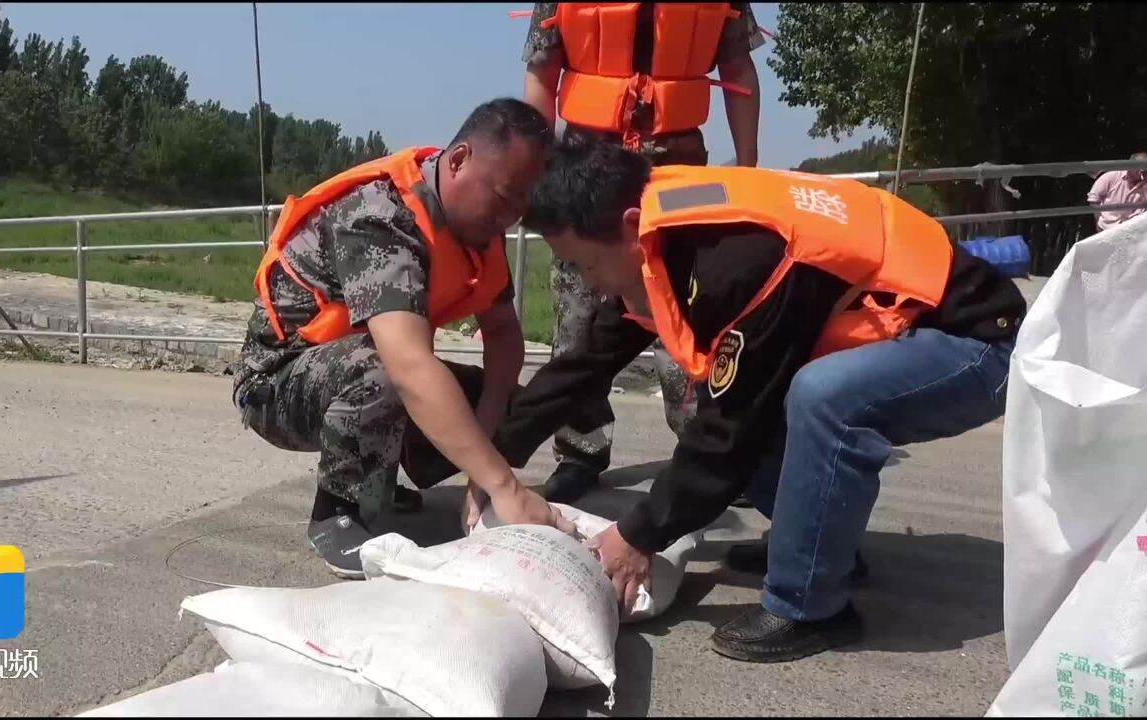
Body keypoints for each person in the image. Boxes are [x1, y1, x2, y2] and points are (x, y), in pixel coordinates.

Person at [494, 141, 1028, 662]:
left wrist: (637, 534)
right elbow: (586, 362)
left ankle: (811, 606)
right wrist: (493, 458)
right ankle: (819, 552)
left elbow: (729, 433)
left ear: (630, 225)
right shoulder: (664, 233)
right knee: (753, 391)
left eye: (587, 266)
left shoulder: (735, 261)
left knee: (818, 397)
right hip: (919, 331)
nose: (591, 282)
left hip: (976, 343)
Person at [232, 98, 570, 579]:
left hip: (359, 366)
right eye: (503, 197)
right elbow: (408, 366)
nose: (509, 219)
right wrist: (505, 486)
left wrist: (485, 463)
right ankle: (338, 513)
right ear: (458, 161)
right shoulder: (377, 217)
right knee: (389, 370)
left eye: (521, 206)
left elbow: (503, 337)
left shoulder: (478, 227)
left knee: (506, 401)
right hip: (277, 383)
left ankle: (381, 476)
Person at [520, 2, 766, 503]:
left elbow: (739, 68)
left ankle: (706, 450)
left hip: (677, 168)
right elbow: (542, 73)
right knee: (578, 323)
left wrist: (747, 164)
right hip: (587, 161)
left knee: (689, 318)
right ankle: (578, 450)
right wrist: (540, 169)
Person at [1087, 152, 1147, 232]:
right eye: (1139, 169)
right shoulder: (1111, 176)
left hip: (1134, 229)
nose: (1142, 173)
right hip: (1107, 228)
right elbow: (1094, 198)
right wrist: (1098, 221)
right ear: (1130, 166)